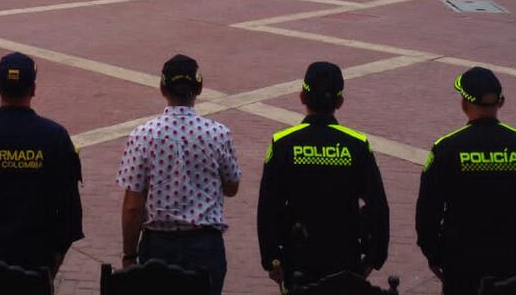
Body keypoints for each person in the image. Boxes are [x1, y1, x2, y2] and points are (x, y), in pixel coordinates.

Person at [415, 67, 516, 295]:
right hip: (514, 263)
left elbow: (427, 214)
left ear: (464, 104)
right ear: (501, 102)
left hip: (461, 264)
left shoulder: (446, 149)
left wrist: (435, 256)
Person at [0, 53, 83, 275]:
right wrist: (59, 250)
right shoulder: (55, 136)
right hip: (38, 255)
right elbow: (68, 203)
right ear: (33, 89)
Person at [257, 62, 389, 289]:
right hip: (345, 259)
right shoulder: (357, 144)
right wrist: (373, 258)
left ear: (302, 97)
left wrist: (271, 258)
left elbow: (268, 206)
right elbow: (378, 207)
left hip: (298, 258)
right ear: (340, 102)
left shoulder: (282, 143)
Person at [118, 55, 242, 295]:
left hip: (158, 246)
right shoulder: (218, 134)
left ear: (162, 88)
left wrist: (129, 255)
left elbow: (133, 206)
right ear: (199, 88)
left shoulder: (143, 135)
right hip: (206, 246)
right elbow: (232, 187)